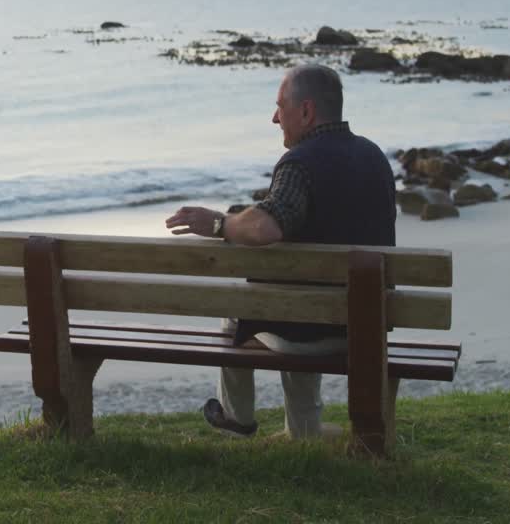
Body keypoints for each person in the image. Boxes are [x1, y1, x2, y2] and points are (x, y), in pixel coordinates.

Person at [165, 63, 396, 439]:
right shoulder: (375, 157)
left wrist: (220, 224)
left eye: (280, 106)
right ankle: (304, 430)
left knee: (247, 309)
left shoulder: (300, 163)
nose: (275, 118)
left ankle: (235, 420)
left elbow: (265, 226)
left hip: (310, 328)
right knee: (292, 300)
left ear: (306, 111)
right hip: (366, 321)